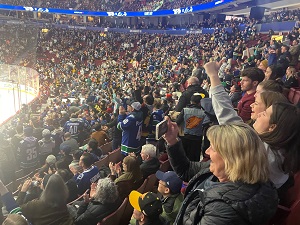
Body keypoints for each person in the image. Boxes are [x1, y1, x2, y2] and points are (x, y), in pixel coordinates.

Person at [205, 61, 300, 190]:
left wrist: (213, 76)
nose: (258, 113)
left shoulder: (263, 151)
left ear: (272, 127)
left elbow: (228, 118)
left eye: (264, 114)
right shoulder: (280, 151)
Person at [163, 118, 278, 224]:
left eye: (213, 147)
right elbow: (186, 170)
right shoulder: (223, 170)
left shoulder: (223, 210)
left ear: (231, 158)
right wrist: (172, 140)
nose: (207, 152)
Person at [0, 175, 74, 225]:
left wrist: (22, 192)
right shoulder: (62, 203)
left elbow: (15, 212)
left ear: (45, 188)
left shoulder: (35, 205)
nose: (40, 182)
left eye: (42, 182)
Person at [176, 93, 206, 161]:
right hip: (197, 139)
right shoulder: (204, 113)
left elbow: (177, 121)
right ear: (200, 103)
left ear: (191, 101)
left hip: (185, 137)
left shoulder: (185, 110)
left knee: (184, 158)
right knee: (194, 158)